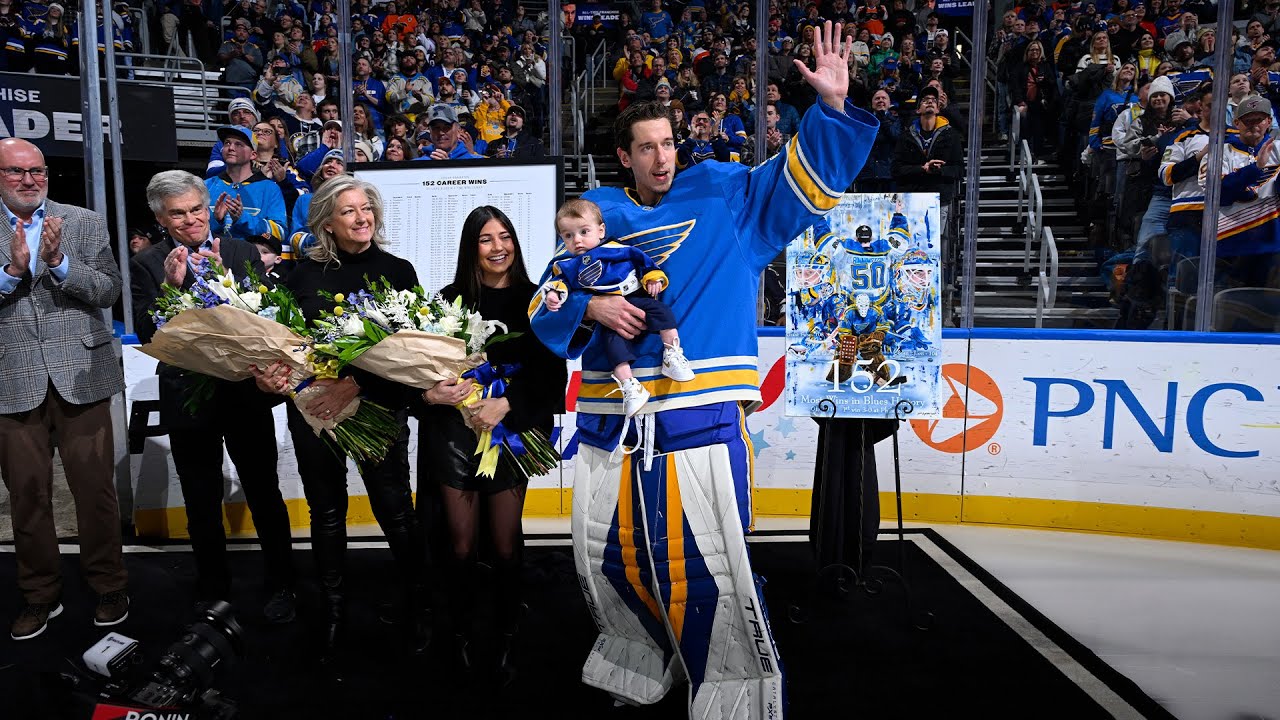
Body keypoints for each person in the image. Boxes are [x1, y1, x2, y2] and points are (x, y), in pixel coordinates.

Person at [529, 21, 876, 717]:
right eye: (647, 148)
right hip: (612, 422)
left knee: (711, 566)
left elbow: (803, 185)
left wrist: (832, 111)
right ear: (622, 157)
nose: (662, 158)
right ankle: (637, 663)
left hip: (701, 416)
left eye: (668, 144)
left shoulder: (725, 195)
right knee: (613, 559)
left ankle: (732, 691)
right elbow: (547, 303)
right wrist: (592, 309)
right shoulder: (595, 216)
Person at [250, 175, 428, 673]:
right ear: (327, 221)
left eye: (366, 207)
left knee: (396, 512)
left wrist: (356, 386)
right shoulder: (298, 276)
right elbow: (278, 349)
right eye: (349, 210)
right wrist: (274, 381)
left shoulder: (398, 271)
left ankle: (421, 606)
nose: (362, 217)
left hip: (376, 409)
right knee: (326, 514)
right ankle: (333, 613)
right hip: (313, 416)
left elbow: (411, 357)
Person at [132, 170, 298, 622]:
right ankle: (213, 590)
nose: (191, 221)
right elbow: (149, 334)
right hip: (189, 397)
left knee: (264, 492)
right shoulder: (148, 263)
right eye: (178, 214)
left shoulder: (242, 250)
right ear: (162, 220)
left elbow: (271, 314)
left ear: (209, 207)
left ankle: (284, 582)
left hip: (244, 393)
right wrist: (171, 289)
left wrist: (230, 279)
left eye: (196, 210)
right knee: (200, 499)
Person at [416, 205, 566, 686]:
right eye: (486, 239)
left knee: (504, 545)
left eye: (506, 237)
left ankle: (506, 632)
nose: (499, 246)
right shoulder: (446, 301)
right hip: (455, 436)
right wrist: (433, 393)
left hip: (509, 434)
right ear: (471, 248)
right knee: (459, 546)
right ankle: (455, 632)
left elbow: (552, 379)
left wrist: (509, 406)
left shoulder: (537, 301)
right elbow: (420, 375)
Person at [0, 138, 129, 640]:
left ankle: (109, 585)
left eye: (37, 171)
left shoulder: (83, 221)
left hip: (82, 376)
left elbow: (109, 290)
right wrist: (12, 271)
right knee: (27, 497)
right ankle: (39, 595)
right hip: (12, 379)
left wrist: (59, 265)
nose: (30, 180)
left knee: (96, 492)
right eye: (16, 172)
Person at [543, 198, 694, 416]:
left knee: (663, 313)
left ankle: (672, 354)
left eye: (584, 231)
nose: (577, 240)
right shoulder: (567, 265)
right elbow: (559, 285)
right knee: (613, 347)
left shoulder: (618, 249)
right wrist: (554, 296)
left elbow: (645, 264)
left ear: (601, 230)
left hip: (636, 297)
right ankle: (630, 387)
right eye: (568, 235)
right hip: (608, 320)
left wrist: (653, 279)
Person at [204, 126, 288, 250]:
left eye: (239, 144)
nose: (231, 148)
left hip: (252, 262)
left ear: (253, 154)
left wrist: (243, 218)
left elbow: (280, 232)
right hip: (213, 259)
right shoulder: (205, 186)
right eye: (227, 143)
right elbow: (194, 229)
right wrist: (216, 220)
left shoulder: (269, 188)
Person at [414, 103, 484, 160]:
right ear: (430, 132)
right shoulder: (416, 167)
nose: (441, 132)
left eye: (447, 127)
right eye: (436, 128)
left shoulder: (478, 164)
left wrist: (448, 167)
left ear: (458, 131)